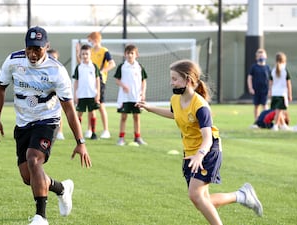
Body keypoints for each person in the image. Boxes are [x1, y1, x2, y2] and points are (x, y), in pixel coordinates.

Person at [136, 59, 263, 225]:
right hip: (191, 152)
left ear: (188, 80)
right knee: (202, 201)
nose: (171, 82)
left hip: (208, 151)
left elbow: (208, 138)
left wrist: (199, 155)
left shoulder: (201, 106)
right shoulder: (176, 99)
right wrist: (149, 108)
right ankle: (242, 195)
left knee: (195, 195)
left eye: (174, 79)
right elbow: (175, 114)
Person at [0, 26, 92, 225]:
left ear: (47, 47)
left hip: (47, 120)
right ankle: (61, 188)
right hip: (23, 122)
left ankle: (41, 217)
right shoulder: (13, 61)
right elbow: (0, 88)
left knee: (33, 159)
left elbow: (70, 109)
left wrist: (81, 141)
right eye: (29, 48)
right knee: (28, 177)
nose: (32, 53)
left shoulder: (57, 71)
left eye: (38, 49)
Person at [77, 31, 116, 139]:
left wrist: (102, 71)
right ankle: (89, 130)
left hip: (100, 81)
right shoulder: (91, 51)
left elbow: (112, 63)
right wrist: (77, 52)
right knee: (91, 108)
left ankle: (106, 130)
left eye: (90, 40)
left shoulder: (104, 51)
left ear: (95, 40)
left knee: (101, 106)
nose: (89, 42)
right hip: (89, 82)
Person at [114, 44, 148, 146]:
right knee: (123, 117)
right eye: (128, 53)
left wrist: (143, 93)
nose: (130, 55)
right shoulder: (122, 66)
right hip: (125, 98)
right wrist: (123, 85)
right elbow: (117, 80)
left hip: (136, 97)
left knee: (136, 117)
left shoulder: (139, 67)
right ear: (125, 54)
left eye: (132, 53)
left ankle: (137, 137)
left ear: (136, 55)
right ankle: (121, 138)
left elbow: (144, 81)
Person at [73, 44, 101, 140]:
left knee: (92, 113)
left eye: (86, 54)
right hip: (81, 95)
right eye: (83, 54)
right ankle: (78, 134)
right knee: (79, 114)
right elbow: (76, 81)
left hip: (92, 94)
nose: (85, 56)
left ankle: (93, 132)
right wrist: (75, 94)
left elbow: (97, 80)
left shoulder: (94, 67)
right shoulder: (79, 67)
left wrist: (98, 94)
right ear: (80, 55)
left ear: (90, 54)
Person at [269, 52, 292, 131]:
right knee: (279, 111)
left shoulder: (273, 70)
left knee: (278, 110)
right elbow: (288, 83)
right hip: (282, 93)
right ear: (284, 61)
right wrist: (290, 94)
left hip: (275, 93)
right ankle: (276, 125)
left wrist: (270, 92)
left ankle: (283, 125)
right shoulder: (285, 70)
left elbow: (271, 83)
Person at [247, 48, 271, 126]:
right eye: (259, 56)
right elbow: (249, 78)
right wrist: (250, 88)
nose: (261, 57)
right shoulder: (254, 67)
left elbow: (271, 80)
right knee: (256, 106)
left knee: (265, 105)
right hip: (256, 90)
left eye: (262, 55)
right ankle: (257, 121)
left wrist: (270, 89)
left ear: (266, 56)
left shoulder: (267, 67)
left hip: (265, 90)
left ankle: (266, 120)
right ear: (256, 57)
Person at [47, 48, 65, 140]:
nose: (52, 59)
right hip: (46, 97)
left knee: (58, 113)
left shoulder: (60, 71)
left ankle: (60, 132)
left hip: (57, 95)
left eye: (54, 57)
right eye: (50, 57)